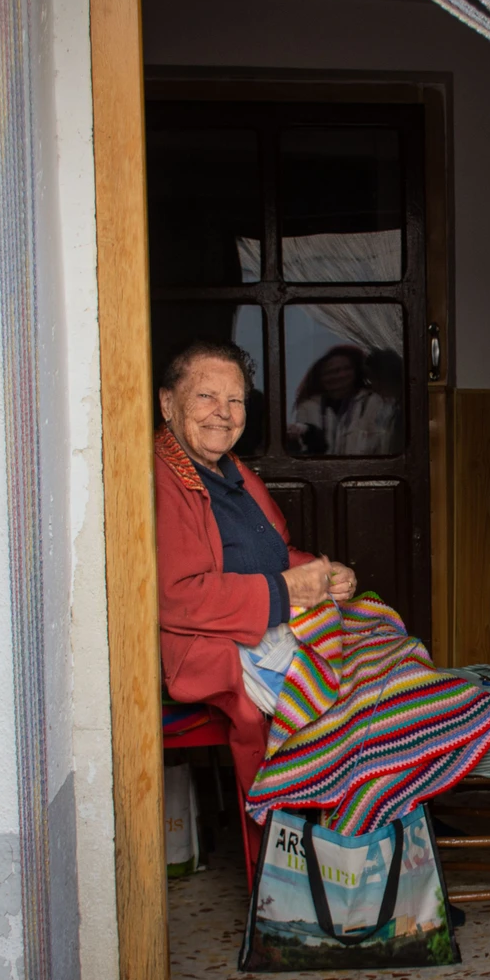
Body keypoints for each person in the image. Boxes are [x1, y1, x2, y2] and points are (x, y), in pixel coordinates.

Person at [155, 341, 356, 866]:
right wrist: (287, 592)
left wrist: (323, 573)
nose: (223, 412)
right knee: (362, 705)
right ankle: (328, 866)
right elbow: (177, 596)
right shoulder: (162, 478)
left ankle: (382, 845)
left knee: (385, 649)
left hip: (266, 633)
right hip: (215, 649)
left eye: (236, 400)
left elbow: (275, 554)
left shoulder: (231, 471)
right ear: (167, 403)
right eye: (206, 396)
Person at [287, 344, 367, 455]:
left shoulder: (371, 402)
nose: (340, 375)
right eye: (331, 371)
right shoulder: (308, 408)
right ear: (320, 377)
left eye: (347, 369)